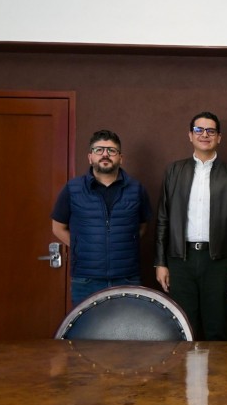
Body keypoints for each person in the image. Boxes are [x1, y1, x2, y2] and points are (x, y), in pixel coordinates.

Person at [154, 111, 227, 340]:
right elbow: (163, 219)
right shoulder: (174, 171)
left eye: (210, 131)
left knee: (217, 328)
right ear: (190, 135)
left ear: (219, 137)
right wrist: (160, 262)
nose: (205, 135)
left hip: (218, 262)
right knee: (185, 329)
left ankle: (215, 367)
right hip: (180, 260)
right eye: (199, 130)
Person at [51, 129, 152, 307]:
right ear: (90, 157)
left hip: (127, 277)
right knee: (87, 325)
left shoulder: (136, 189)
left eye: (111, 150)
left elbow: (143, 226)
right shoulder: (73, 189)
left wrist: (124, 242)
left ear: (120, 158)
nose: (105, 154)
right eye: (99, 150)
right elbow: (57, 228)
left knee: (126, 325)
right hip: (86, 280)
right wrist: (81, 246)